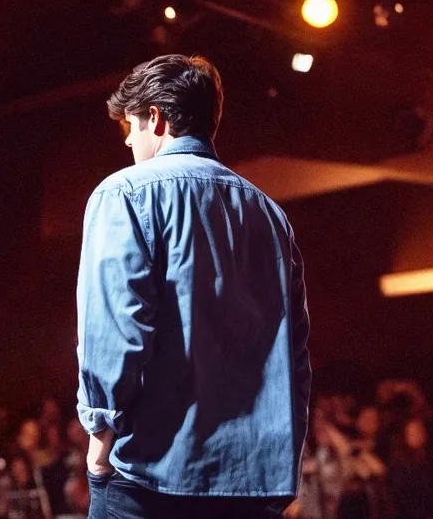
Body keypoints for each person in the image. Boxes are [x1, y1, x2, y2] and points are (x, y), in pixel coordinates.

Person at [75, 54, 311, 519]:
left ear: (156, 119)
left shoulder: (123, 193)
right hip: (252, 484)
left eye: (131, 126)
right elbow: (296, 353)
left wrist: (100, 440)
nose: (128, 140)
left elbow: (115, 333)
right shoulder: (269, 214)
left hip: (151, 476)